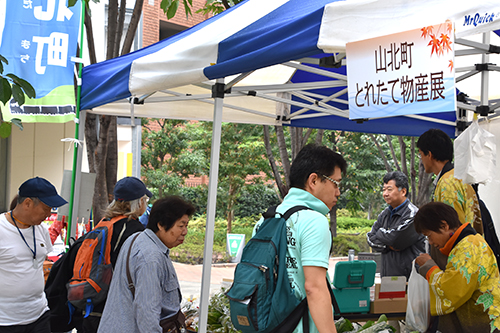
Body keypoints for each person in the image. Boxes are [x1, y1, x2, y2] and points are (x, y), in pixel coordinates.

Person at [253, 144, 347, 333]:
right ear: (314, 180)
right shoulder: (314, 221)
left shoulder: (265, 220)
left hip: (267, 325)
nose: (338, 192)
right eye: (335, 183)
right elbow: (314, 288)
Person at [97, 196, 195, 333]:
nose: (185, 232)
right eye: (181, 226)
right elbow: (147, 314)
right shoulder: (151, 258)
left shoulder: (136, 239)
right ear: (160, 225)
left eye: (186, 226)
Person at [415, 202, 500, 333]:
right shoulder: (468, 242)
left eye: (429, 236)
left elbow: (450, 291)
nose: (430, 242)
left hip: (485, 324)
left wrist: (429, 267)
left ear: (444, 226)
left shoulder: (468, 248)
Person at [81, 176, 152, 333]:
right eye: (144, 199)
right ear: (139, 202)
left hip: (91, 303)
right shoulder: (135, 230)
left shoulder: (105, 222)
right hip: (113, 310)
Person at [0, 177, 67, 332]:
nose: (49, 214)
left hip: (39, 315)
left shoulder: (41, 229)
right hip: (5, 320)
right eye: (46, 208)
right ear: (28, 203)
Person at [366, 171, 424, 279]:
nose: (385, 194)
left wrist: (381, 233)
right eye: (383, 190)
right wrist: (388, 246)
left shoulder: (413, 214)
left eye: (389, 189)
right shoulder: (384, 214)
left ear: (403, 191)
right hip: (387, 276)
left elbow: (396, 240)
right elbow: (370, 238)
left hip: (408, 278)